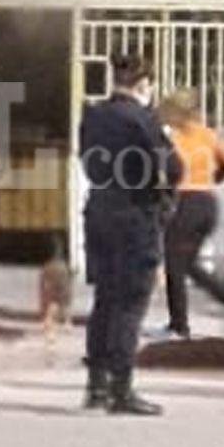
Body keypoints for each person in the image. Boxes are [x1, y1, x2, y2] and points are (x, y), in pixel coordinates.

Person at [78, 54, 182, 415]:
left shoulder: (92, 115)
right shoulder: (145, 120)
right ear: (144, 85)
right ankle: (122, 388)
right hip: (135, 216)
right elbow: (173, 167)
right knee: (130, 304)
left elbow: (86, 159)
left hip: (99, 211)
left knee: (104, 300)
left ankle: (96, 386)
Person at [157, 89, 224, 338]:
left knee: (175, 264)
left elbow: (168, 172)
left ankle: (179, 326)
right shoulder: (208, 135)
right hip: (208, 203)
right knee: (188, 264)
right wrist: (214, 179)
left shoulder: (173, 138)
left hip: (186, 204)